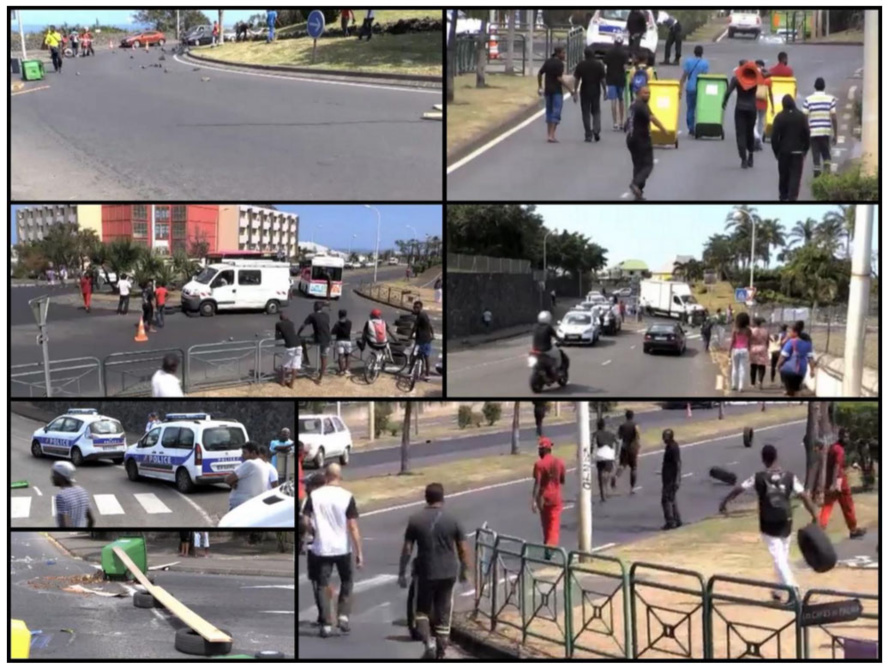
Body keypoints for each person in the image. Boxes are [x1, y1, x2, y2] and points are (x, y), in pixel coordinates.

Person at [719, 444, 819, 601]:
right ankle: (779, 591)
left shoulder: (758, 477)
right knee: (782, 557)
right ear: (776, 457)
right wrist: (814, 514)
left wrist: (725, 501)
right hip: (786, 521)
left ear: (763, 459)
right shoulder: (789, 476)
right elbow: (804, 495)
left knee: (778, 557)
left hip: (768, 522)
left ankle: (793, 589)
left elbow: (740, 488)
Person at [398, 483, 470, 660]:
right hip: (448, 572)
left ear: (426, 497)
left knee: (421, 611)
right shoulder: (453, 520)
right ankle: (441, 650)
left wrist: (402, 571)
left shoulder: (415, 519)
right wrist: (464, 570)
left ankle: (429, 644)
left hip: (425, 571)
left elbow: (407, 549)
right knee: (444, 611)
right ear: (443, 498)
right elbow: (463, 549)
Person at [302, 463, 363, 638]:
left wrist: (312, 532)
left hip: (322, 548)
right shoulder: (347, 496)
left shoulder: (314, 495)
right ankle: (343, 616)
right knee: (347, 580)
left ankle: (327, 623)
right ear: (339, 476)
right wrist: (359, 551)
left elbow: (305, 520)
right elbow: (352, 526)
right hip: (342, 547)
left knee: (322, 584)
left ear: (326, 476)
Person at [819, 429, 867, 539]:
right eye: (845, 437)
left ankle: (820, 528)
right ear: (840, 436)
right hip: (839, 481)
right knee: (848, 505)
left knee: (827, 506)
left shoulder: (833, 447)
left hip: (830, 480)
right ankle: (853, 529)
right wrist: (835, 483)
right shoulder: (839, 450)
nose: (847, 439)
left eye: (847, 437)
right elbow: (836, 466)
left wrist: (830, 483)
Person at [626, 85, 666, 201]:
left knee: (638, 166)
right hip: (641, 139)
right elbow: (652, 118)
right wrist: (663, 129)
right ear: (638, 93)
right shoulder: (641, 106)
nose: (647, 95)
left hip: (631, 138)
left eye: (649, 93)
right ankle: (635, 184)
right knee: (648, 164)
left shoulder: (633, 105)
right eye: (644, 93)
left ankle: (638, 192)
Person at [771, 95, 811, 202]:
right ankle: (793, 196)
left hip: (783, 152)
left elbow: (774, 137)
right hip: (798, 152)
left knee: (783, 175)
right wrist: (805, 149)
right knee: (795, 176)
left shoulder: (779, 117)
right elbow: (807, 134)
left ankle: (783, 195)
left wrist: (776, 152)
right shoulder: (801, 116)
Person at [723, 61, 762, 169]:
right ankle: (751, 155)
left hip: (740, 108)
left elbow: (728, 92)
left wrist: (724, 102)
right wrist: (758, 70)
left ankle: (743, 159)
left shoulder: (736, 79)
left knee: (741, 134)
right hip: (752, 109)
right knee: (749, 132)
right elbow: (767, 74)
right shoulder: (755, 78)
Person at [531, 437, 566, 557]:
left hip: (543, 497)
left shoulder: (539, 464)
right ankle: (550, 546)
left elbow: (537, 483)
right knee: (554, 524)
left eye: (540, 450)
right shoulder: (559, 462)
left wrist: (534, 500)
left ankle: (547, 544)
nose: (538, 452)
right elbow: (562, 479)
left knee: (545, 524)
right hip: (555, 496)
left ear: (543, 450)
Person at [802, 78, 838, 178]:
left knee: (816, 155)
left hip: (813, 132)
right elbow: (834, 117)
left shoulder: (808, 100)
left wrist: (806, 132)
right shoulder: (830, 99)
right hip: (826, 132)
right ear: (824, 87)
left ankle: (817, 176)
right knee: (826, 154)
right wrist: (835, 134)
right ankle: (826, 176)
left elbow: (804, 117)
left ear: (815, 87)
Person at [572, 47, 607, 143]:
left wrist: (575, 91)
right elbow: (602, 79)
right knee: (596, 111)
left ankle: (588, 134)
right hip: (596, 90)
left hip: (585, 89)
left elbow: (577, 79)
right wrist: (605, 90)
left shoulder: (581, 65)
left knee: (585, 112)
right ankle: (596, 130)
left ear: (585, 55)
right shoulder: (599, 65)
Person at [538, 46, 569, 143]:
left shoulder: (548, 61)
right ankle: (552, 135)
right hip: (557, 91)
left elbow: (540, 73)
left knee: (549, 112)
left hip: (548, 90)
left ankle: (549, 134)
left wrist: (540, 86)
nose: (564, 55)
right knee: (556, 113)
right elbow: (559, 78)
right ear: (558, 53)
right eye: (563, 53)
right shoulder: (560, 64)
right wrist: (570, 89)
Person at [777, 321, 816, 396]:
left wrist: (778, 365)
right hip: (801, 370)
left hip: (788, 370)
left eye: (790, 332)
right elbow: (810, 358)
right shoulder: (808, 343)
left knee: (790, 390)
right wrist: (812, 370)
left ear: (795, 332)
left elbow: (783, 356)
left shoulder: (791, 342)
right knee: (796, 389)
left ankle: (790, 394)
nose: (788, 333)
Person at [224, 442, 267, 510]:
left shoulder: (250, 463)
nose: (242, 456)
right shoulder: (263, 464)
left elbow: (227, 479)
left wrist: (232, 482)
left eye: (244, 453)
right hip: (254, 503)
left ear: (253, 453)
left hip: (241, 505)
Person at [298, 302, 332, 384]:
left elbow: (303, 325)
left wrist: (298, 333)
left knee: (302, 341)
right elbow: (322, 326)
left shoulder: (312, 315)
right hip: (327, 339)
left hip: (318, 339)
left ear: (314, 308)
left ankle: (306, 360)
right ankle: (320, 377)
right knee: (324, 358)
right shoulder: (326, 315)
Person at [52, 461, 95, 528]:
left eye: (55, 474)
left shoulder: (61, 496)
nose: (52, 476)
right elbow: (91, 520)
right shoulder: (82, 490)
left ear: (62, 476)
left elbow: (64, 524)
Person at [678, 46, 709, 136]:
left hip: (690, 88)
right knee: (700, 108)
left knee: (690, 108)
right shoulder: (705, 63)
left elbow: (684, 76)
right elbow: (705, 77)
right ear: (702, 53)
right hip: (701, 88)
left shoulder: (688, 62)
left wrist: (680, 87)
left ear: (694, 52)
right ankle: (699, 125)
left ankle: (691, 127)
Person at [614, 410, 641, 494]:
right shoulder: (635, 425)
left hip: (624, 447)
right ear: (632, 416)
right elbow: (638, 435)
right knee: (633, 468)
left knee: (622, 465)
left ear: (626, 416)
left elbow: (618, 437)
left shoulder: (622, 426)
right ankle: (632, 488)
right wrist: (638, 445)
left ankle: (615, 476)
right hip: (633, 448)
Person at [604, 37, 628, 131]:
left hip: (610, 77)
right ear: (621, 42)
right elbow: (625, 67)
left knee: (613, 100)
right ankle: (621, 122)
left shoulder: (609, 52)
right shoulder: (624, 53)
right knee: (621, 99)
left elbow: (605, 63)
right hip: (620, 78)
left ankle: (615, 122)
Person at [660, 429, 682, 530]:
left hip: (671, 478)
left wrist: (677, 479)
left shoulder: (673, 448)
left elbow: (678, 463)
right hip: (668, 477)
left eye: (665, 437)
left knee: (666, 500)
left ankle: (670, 521)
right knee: (672, 499)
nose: (663, 438)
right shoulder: (670, 446)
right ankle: (677, 520)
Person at [408, 301, 435, 381]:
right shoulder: (425, 315)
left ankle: (410, 372)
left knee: (414, 355)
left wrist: (410, 336)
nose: (415, 309)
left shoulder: (420, 316)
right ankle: (427, 375)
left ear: (420, 308)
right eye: (414, 307)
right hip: (427, 339)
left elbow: (415, 327)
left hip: (420, 340)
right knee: (426, 357)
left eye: (417, 307)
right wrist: (432, 334)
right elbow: (430, 325)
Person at [593, 418, 617, 503]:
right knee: (610, 471)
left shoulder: (595, 434)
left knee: (600, 474)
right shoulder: (610, 434)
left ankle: (602, 496)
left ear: (597, 426)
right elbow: (616, 442)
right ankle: (612, 479)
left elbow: (593, 445)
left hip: (600, 456)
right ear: (604, 426)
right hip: (609, 455)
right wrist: (615, 453)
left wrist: (591, 454)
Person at [531, 311, 562, 376]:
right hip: (546, 349)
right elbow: (556, 336)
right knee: (558, 354)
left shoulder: (535, 326)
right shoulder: (548, 327)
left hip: (535, 349)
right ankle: (557, 369)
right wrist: (561, 341)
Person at [752, 60, 773, 150]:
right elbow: (771, 94)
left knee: (755, 122)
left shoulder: (754, 78)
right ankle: (759, 140)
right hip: (764, 104)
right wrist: (773, 106)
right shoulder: (768, 80)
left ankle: (756, 137)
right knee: (761, 122)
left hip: (754, 103)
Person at [275, 313, 300, 387]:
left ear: (280, 318)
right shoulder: (291, 323)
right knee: (295, 366)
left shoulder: (278, 324)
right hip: (298, 345)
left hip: (290, 346)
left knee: (284, 365)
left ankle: (282, 382)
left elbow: (277, 336)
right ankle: (292, 383)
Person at [729, 312, 752, 392]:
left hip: (735, 349)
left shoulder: (735, 329)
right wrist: (749, 350)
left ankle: (733, 385)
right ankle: (740, 386)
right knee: (742, 369)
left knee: (735, 368)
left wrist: (729, 351)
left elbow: (732, 341)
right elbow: (749, 342)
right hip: (745, 349)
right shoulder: (748, 330)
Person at [749, 317, 770, 390]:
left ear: (754, 323)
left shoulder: (751, 331)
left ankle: (752, 383)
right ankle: (760, 381)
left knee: (753, 366)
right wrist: (767, 347)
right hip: (762, 348)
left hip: (753, 348)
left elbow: (749, 340)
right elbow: (767, 341)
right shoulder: (765, 331)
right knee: (762, 366)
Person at [331, 309, 353, 377]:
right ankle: (347, 369)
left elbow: (333, 332)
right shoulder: (349, 322)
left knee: (340, 355)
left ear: (339, 315)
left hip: (339, 340)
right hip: (347, 340)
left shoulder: (337, 323)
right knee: (348, 355)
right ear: (346, 315)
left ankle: (341, 371)